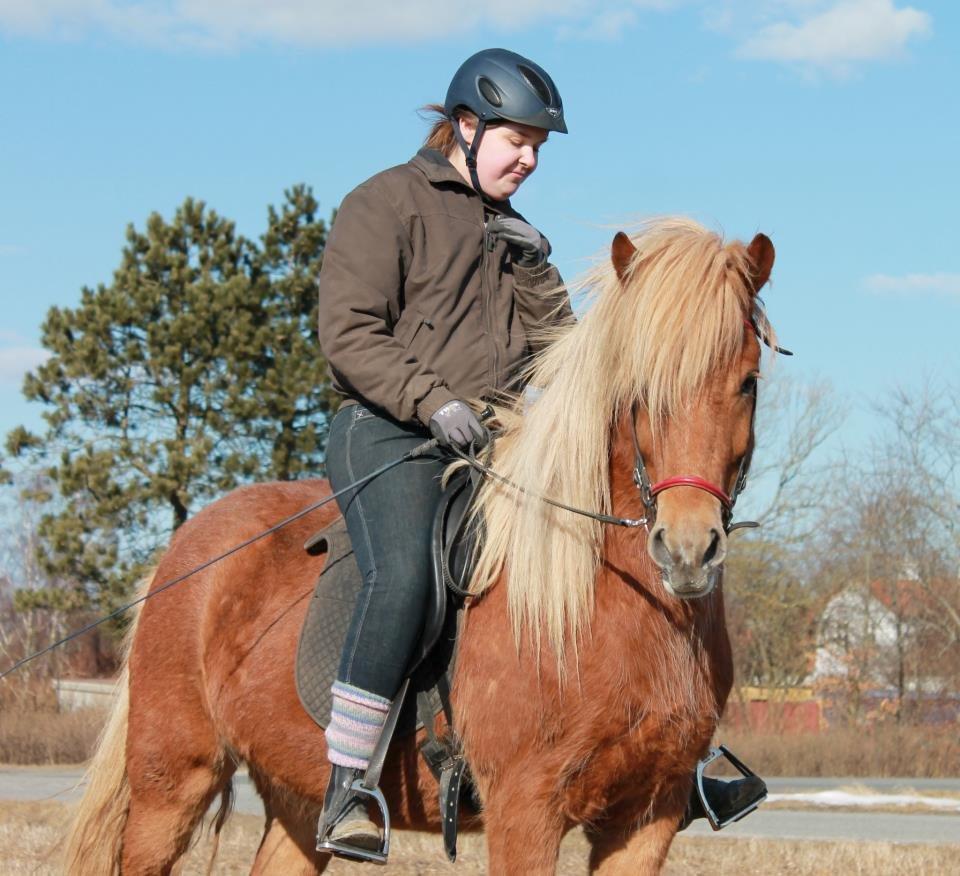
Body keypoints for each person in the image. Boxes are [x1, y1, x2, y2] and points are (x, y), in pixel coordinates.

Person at [315, 48, 764, 860]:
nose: (528, 159)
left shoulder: (521, 238)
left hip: (491, 439)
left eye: (538, 149)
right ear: (464, 126)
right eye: (517, 141)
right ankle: (349, 780)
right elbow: (348, 333)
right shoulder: (384, 204)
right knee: (409, 573)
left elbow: (565, 354)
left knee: (624, 545)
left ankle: (677, 754)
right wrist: (432, 401)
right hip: (388, 430)